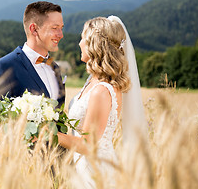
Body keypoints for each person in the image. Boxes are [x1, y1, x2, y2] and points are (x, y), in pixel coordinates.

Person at [57, 16, 147, 188]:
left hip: (95, 170)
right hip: (83, 166)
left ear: (95, 45)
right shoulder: (93, 82)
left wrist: (48, 134)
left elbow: (87, 144)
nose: (79, 43)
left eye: (83, 38)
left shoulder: (101, 91)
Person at [0, 1, 66, 108]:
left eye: (61, 28)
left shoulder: (55, 68)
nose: (61, 35)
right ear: (34, 29)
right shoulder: (4, 67)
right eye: (54, 28)